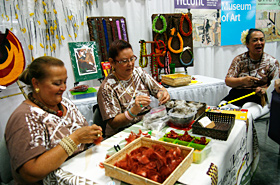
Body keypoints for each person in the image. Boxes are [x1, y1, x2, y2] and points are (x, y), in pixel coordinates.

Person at [5, 56, 103, 184]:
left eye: (64, 82)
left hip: (82, 171)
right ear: (36, 84)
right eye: (57, 83)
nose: (63, 87)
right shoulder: (24, 117)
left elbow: (84, 136)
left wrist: (91, 135)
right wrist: (74, 139)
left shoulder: (66, 104)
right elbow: (30, 173)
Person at [97, 40, 170, 137]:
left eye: (132, 58)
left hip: (146, 125)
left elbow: (159, 89)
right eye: (124, 61)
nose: (130, 64)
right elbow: (114, 123)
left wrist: (162, 93)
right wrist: (133, 111)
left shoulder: (139, 73)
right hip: (123, 133)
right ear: (112, 62)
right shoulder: (107, 87)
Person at [221, 28, 279, 119]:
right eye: (255, 40)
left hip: (258, 98)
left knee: (246, 115)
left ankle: (248, 133)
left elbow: (276, 84)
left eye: (261, 39)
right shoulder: (239, 60)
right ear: (247, 44)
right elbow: (228, 81)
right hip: (237, 95)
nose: (259, 43)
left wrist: (265, 90)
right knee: (220, 112)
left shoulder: (271, 62)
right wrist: (243, 81)